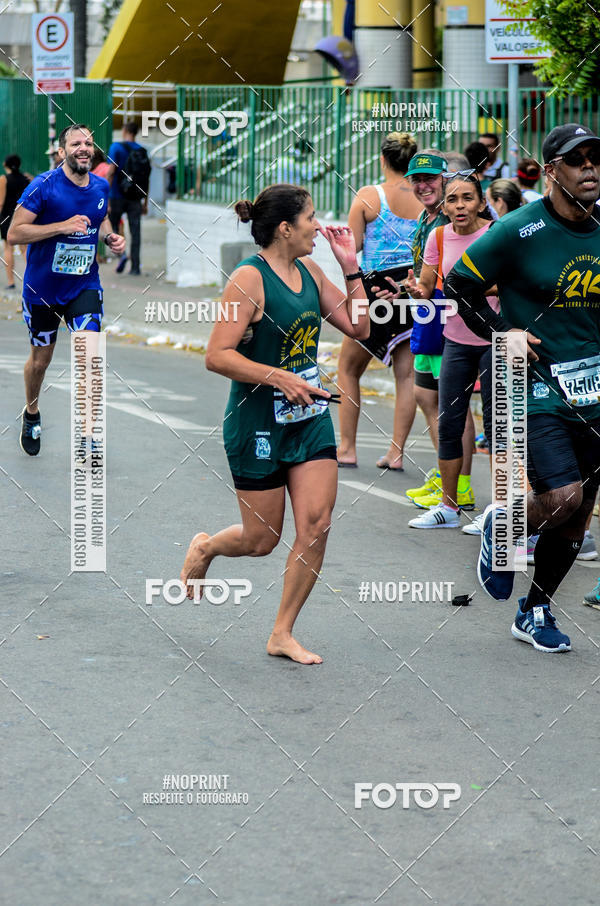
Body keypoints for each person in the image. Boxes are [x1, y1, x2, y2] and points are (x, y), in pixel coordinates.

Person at [180, 184, 370, 665]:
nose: (316, 225)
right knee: (260, 540)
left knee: (317, 525)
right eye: (309, 218)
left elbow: (360, 327)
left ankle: (281, 633)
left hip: (308, 419)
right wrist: (278, 375)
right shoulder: (248, 279)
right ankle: (205, 548)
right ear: (286, 228)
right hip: (256, 422)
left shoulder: (309, 269)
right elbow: (215, 355)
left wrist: (350, 266)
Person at [445, 123, 600, 653]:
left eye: (595, 159)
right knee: (563, 496)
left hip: (595, 393)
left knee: (575, 523)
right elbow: (458, 284)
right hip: (533, 386)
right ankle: (503, 523)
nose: (590, 169)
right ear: (552, 170)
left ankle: (534, 610)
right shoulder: (516, 229)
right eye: (577, 160)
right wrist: (502, 333)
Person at [7, 124, 125, 456]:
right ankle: (31, 413)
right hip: (42, 289)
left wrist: (109, 237)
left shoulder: (100, 186)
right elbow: (15, 233)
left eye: (88, 142)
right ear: (63, 152)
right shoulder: (43, 187)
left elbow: (100, 219)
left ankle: (89, 434)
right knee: (40, 361)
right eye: (76, 143)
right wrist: (61, 226)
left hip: (83, 284)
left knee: (90, 355)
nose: (84, 148)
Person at [405, 171, 499, 528]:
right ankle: (448, 507)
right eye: (452, 200)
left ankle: (496, 512)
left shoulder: (495, 234)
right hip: (456, 338)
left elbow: (509, 285)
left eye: (467, 198)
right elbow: (429, 286)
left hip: (494, 339)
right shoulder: (438, 236)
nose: (459, 206)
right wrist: (417, 290)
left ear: (480, 201)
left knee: (496, 429)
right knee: (449, 423)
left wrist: (471, 290)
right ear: (443, 205)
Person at [336, 133, 421, 470]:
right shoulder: (426, 196)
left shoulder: (370, 197)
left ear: (383, 160)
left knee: (347, 367)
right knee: (407, 376)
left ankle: (347, 448)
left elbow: (351, 248)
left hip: (372, 291)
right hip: (412, 290)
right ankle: (396, 453)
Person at [403, 151, 477, 509]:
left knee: (449, 404)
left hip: (446, 319)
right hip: (426, 312)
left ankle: (458, 484)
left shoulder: (452, 224)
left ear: (446, 179)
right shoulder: (427, 219)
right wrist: (412, 287)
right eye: (417, 180)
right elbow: (426, 274)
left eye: (430, 179)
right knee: (427, 397)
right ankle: (446, 475)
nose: (423, 185)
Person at [106, 121, 150, 275]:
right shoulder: (142, 150)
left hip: (116, 196)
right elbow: (146, 178)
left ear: (124, 130)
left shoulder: (116, 148)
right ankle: (136, 268)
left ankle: (122, 255)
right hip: (135, 198)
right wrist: (145, 202)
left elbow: (111, 172)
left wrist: (106, 197)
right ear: (136, 132)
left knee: (112, 230)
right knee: (135, 232)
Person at [0, 155, 29, 290]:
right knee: (24, 249)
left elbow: (1, 203)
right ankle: (33, 279)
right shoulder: (25, 179)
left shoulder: (3, 179)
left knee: (8, 247)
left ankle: (11, 282)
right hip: (23, 217)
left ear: (5, 164)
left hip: (7, 217)